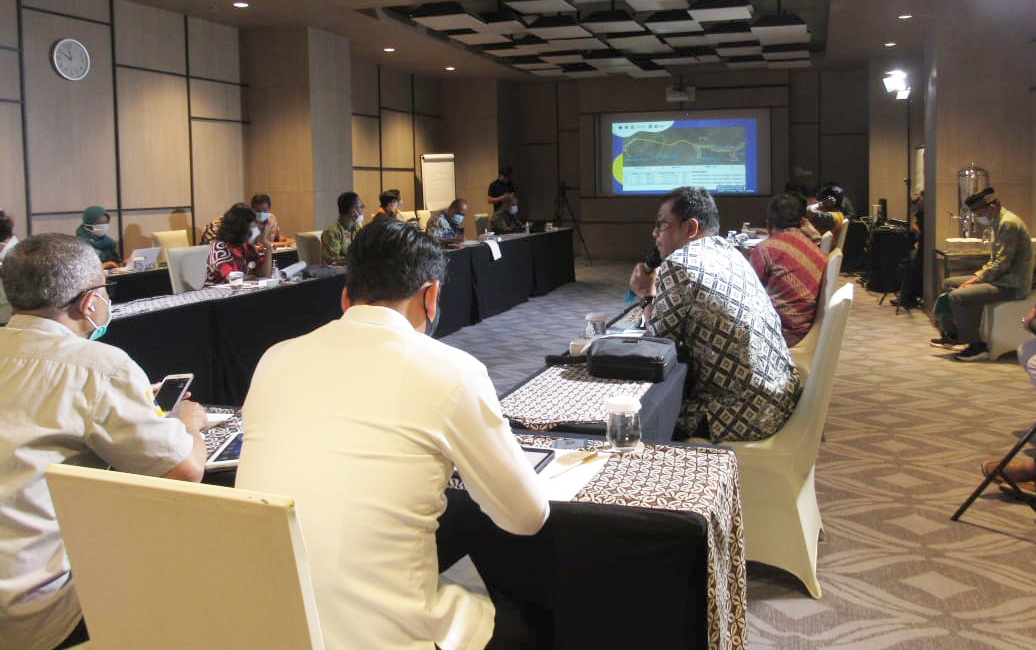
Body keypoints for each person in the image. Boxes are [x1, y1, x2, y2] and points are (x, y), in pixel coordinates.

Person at [235, 219, 549, 649]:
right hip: (384, 636)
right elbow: (526, 516)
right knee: (528, 615)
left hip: (271, 626)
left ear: (346, 298)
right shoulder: (452, 371)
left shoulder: (273, 359)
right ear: (431, 295)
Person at [0, 234, 207, 650]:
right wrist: (189, 423)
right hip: (43, 607)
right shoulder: (99, 366)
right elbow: (184, 470)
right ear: (89, 301)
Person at [629, 186, 801, 442]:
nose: (655, 233)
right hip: (778, 398)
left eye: (662, 224)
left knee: (634, 420)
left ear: (690, 228)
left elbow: (656, 349)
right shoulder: (731, 253)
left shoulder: (679, 265)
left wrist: (646, 294)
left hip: (741, 416)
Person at [932, 188, 1033, 361]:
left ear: (991, 208)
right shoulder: (998, 222)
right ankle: (954, 334)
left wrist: (975, 280)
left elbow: (1002, 264)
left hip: (1011, 284)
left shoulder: (1008, 224)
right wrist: (976, 278)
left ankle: (977, 346)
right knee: (949, 283)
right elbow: (995, 262)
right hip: (1000, 279)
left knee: (957, 296)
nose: (978, 218)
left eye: (979, 213)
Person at [749, 194, 827, 347]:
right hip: (807, 329)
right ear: (801, 221)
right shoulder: (811, 246)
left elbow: (749, 292)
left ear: (769, 222)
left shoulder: (766, 249)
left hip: (783, 335)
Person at [203, 203, 273, 286]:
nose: (254, 233)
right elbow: (234, 279)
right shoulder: (219, 247)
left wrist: (268, 248)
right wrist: (252, 276)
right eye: (250, 230)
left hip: (240, 292)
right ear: (239, 229)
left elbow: (264, 274)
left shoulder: (246, 245)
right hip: (216, 295)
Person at [320, 191, 364, 266]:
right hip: (337, 274)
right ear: (353, 211)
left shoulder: (357, 228)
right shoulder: (332, 232)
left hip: (354, 271)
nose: (363, 209)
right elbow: (333, 261)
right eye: (361, 207)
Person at [75, 205, 120, 269]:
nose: (103, 226)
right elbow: (81, 270)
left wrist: (124, 263)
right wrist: (103, 266)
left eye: (106, 223)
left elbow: (116, 263)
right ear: (89, 223)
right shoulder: (80, 244)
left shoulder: (109, 243)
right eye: (99, 223)